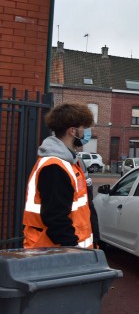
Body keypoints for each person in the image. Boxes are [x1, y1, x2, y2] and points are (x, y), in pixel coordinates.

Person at [23, 103, 96, 248]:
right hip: (53, 254)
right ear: (72, 131)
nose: (85, 133)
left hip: (64, 253)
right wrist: (74, 249)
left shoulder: (68, 163)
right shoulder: (54, 167)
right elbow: (56, 218)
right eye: (83, 128)